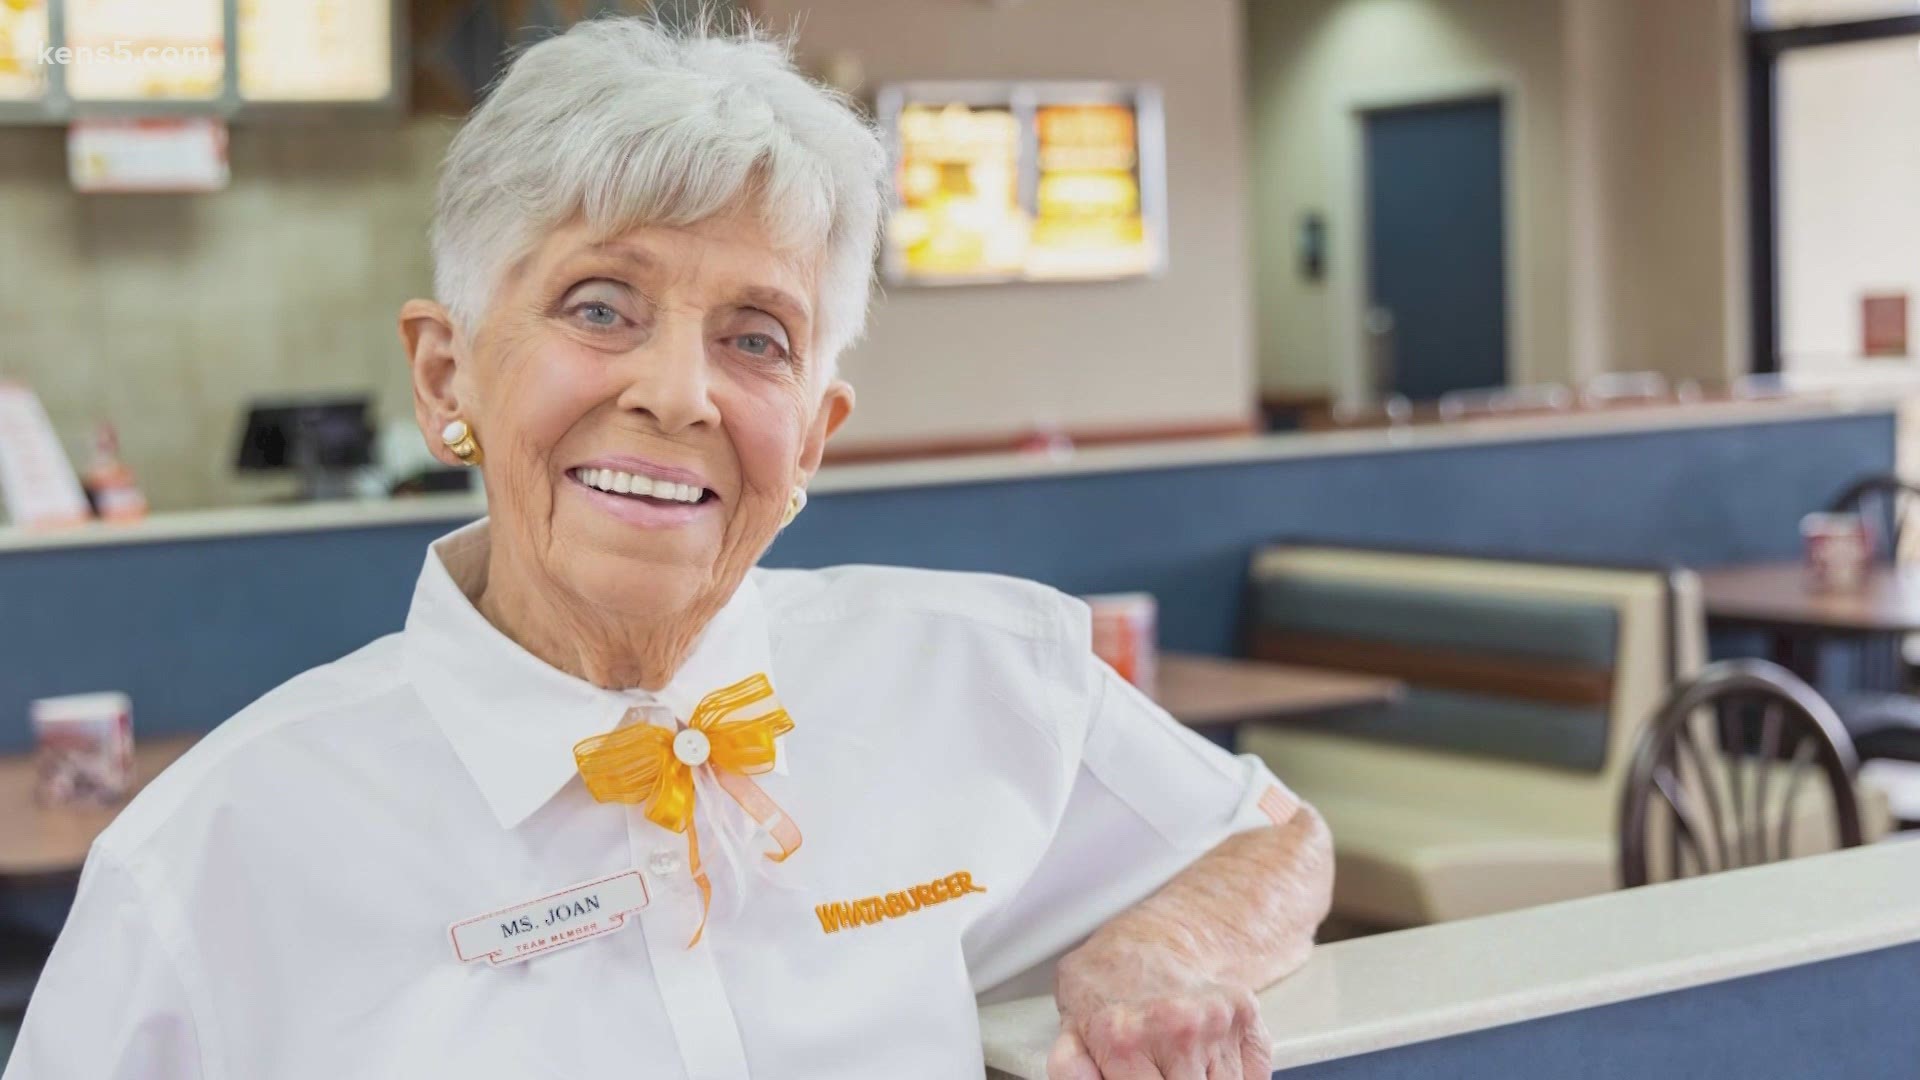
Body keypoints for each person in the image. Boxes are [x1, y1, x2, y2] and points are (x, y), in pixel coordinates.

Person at [8, 16, 1331, 1079]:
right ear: (444, 373)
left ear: (812, 436)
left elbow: (1273, 837)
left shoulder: (974, 675)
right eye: (602, 304)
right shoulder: (209, 865)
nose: (680, 393)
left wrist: (1160, 948)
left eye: (756, 338)